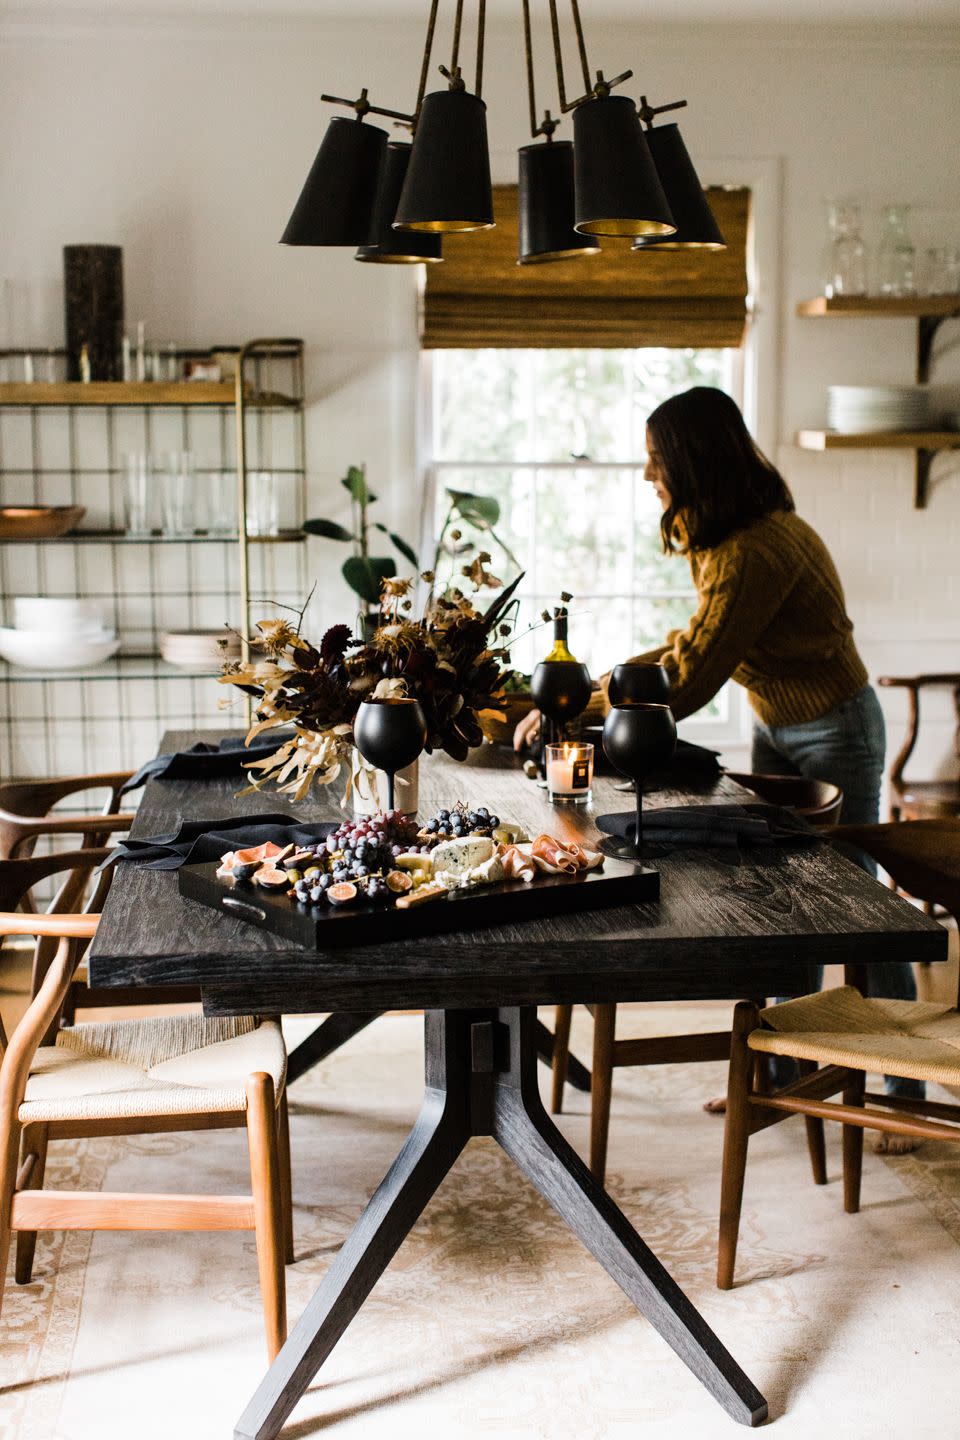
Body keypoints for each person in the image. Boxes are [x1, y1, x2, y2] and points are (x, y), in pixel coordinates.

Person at [514, 386, 921, 1150]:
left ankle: (901, 1087)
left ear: (696, 462)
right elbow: (690, 643)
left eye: (657, 461)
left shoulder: (753, 552)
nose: (648, 477)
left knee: (858, 905)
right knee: (786, 901)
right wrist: (594, 684)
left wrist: (586, 702)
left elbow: (691, 683)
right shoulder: (735, 539)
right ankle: (780, 1071)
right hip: (785, 724)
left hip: (835, 730)